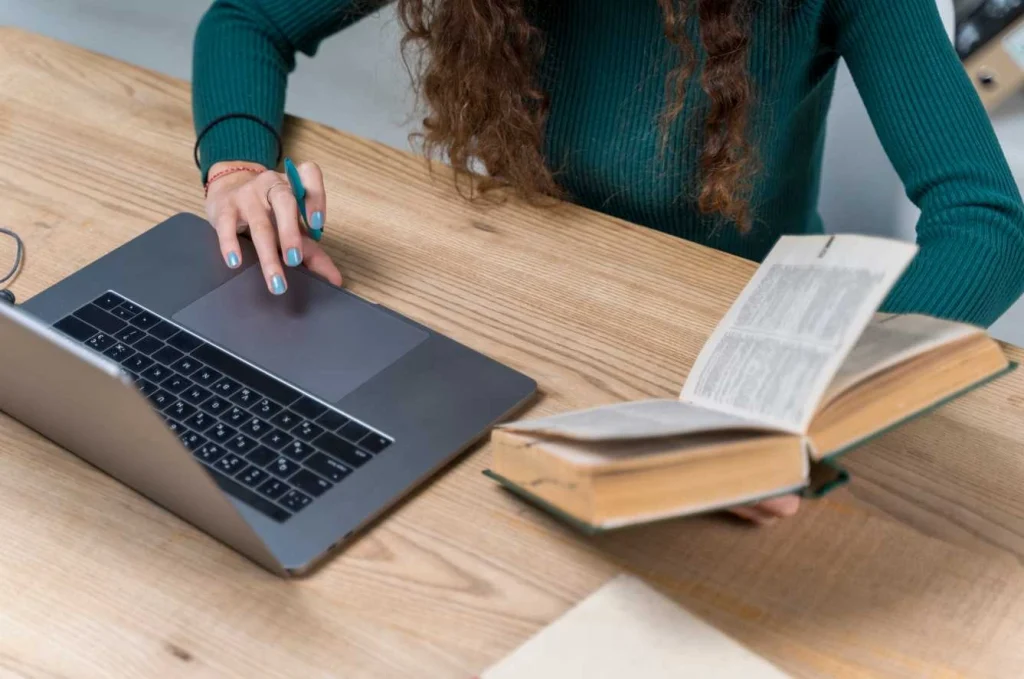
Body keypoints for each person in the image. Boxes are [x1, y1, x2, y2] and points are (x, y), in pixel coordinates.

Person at [192, 0, 1024, 524]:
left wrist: (810, 401)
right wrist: (238, 165)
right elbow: (246, 20)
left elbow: (986, 221)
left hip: (725, 351)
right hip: (521, 318)